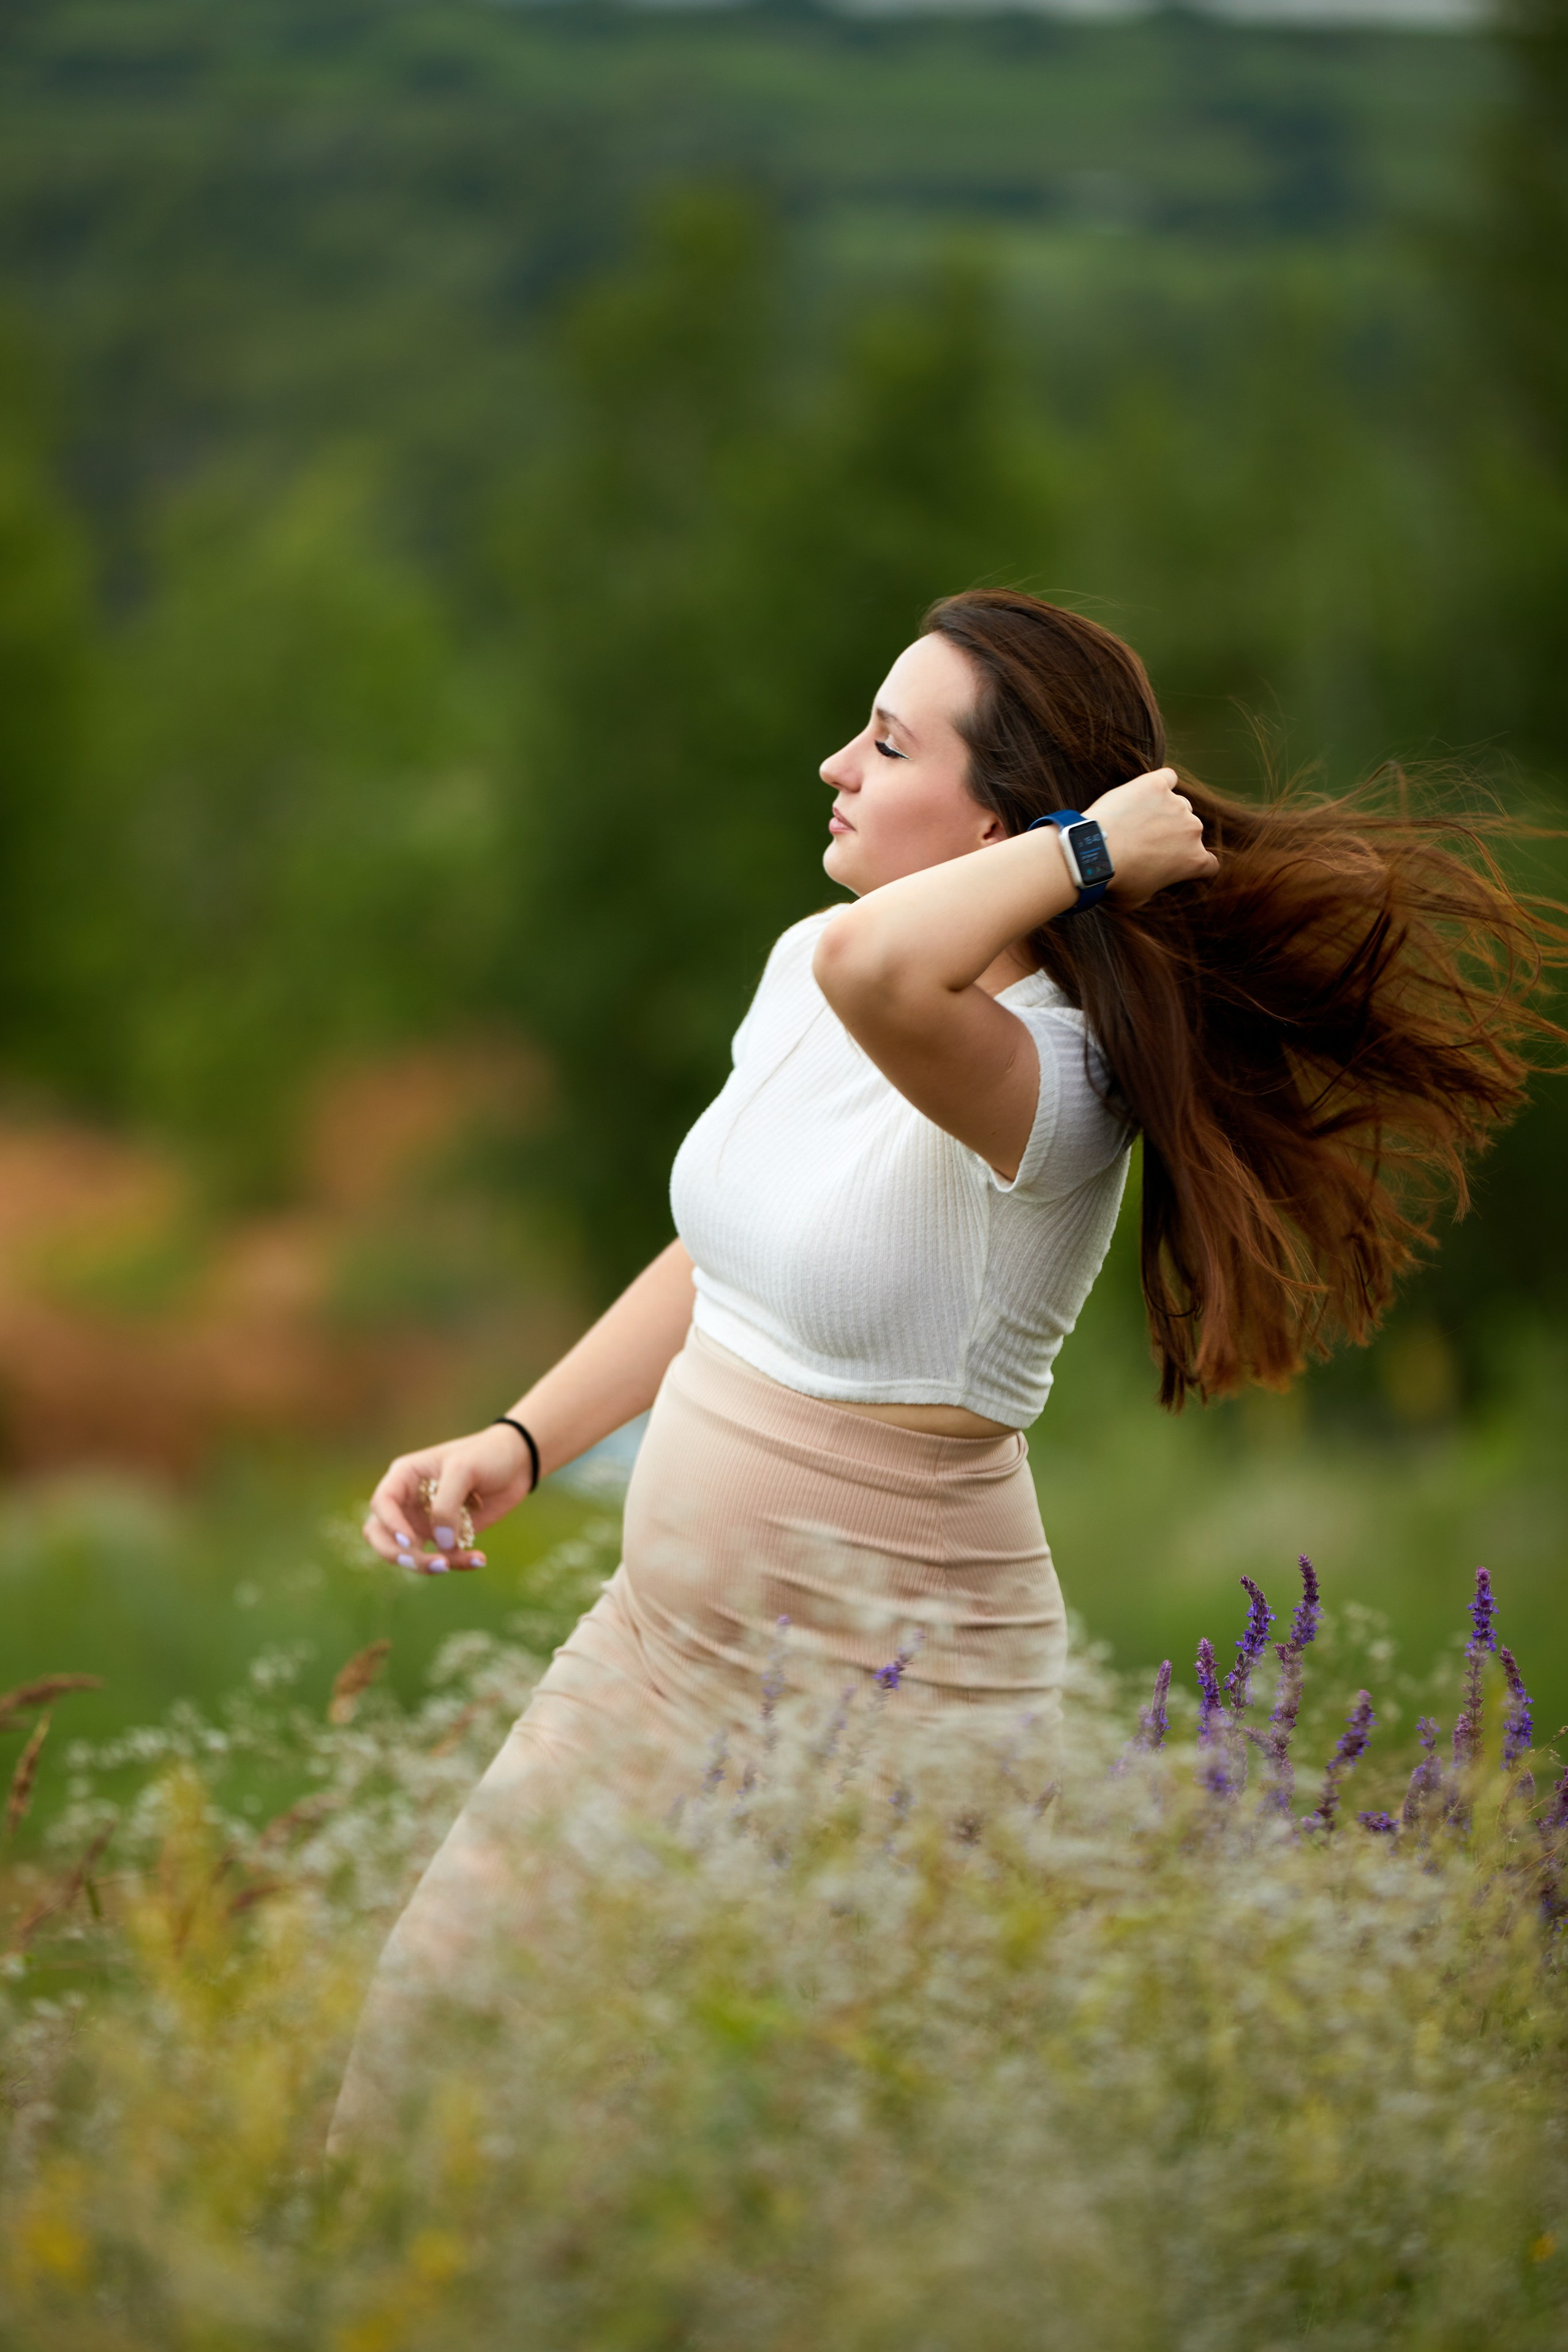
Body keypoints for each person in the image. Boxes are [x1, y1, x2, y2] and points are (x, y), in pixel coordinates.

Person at [331, 589, 1562, 2145]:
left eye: (888, 742)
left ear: (1000, 818)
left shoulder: (1052, 1083)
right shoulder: (809, 961)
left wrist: (1089, 853)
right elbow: (730, 1245)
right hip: (652, 1654)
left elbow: (883, 979)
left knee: (775, 2178)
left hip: (892, 1712)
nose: (834, 765)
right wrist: (520, 1438)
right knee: (428, 2049)